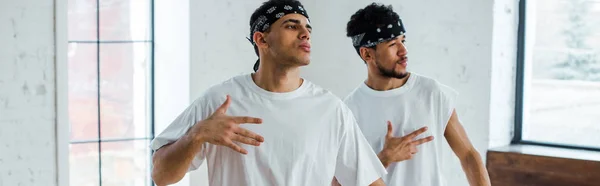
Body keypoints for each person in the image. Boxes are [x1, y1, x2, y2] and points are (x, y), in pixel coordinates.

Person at [149, 0, 387, 185]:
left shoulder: (331, 109)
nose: (305, 34)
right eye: (291, 26)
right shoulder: (220, 100)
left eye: (307, 28)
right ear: (261, 39)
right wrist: (196, 134)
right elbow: (161, 175)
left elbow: (368, 182)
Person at [337, 3, 491, 186]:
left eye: (403, 41)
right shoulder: (349, 110)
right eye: (393, 44)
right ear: (367, 54)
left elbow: (468, 155)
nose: (404, 51)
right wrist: (384, 158)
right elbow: (339, 183)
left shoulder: (431, 92)